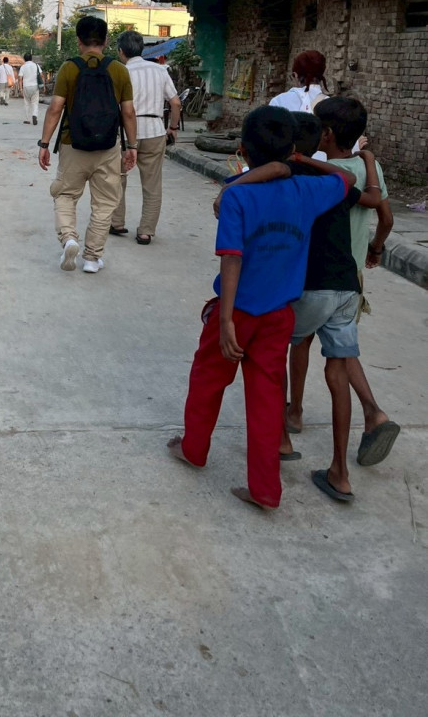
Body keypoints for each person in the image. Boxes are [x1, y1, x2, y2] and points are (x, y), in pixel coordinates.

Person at [167, 106, 356, 510]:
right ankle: (266, 489)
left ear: (242, 150)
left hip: (236, 311)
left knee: (207, 381)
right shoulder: (306, 191)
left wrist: (225, 320)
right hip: (278, 315)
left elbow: (231, 259)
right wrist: (297, 162)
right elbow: (348, 179)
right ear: (291, 149)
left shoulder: (238, 195)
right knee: (268, 399)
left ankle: (194, 449)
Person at [222, 112, 383, 502]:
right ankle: (340, 473)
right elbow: (369, 197)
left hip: (310, 288)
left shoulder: (287, 179)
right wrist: (364, 160)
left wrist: (241, 184)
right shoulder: (330, 181)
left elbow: (262, 179)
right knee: (338, 372)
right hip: (346, 286)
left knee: (273, 354)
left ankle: (283, 437)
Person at [286, 96, 399, 467]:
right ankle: (372, 413)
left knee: (300, 341)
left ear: (327, 134)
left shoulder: (320, 172)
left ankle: (295, 412)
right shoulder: (369, 167)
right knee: (341, 350)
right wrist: (376, 249)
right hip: (351, 277)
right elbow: (385, 217)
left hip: (315, 273)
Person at [37, 15, 137, 274]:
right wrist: (132, 147)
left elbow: (55, 108)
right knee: (105, 203)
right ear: (105, 40)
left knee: (65, 195)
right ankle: (92, 258)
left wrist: (44, 143)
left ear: (79, 40)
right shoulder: (119, 70)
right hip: (108, 146)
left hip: (73, 144)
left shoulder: (69, 68)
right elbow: (128, 112)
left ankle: (69, 238)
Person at [110, 30, 181, 246]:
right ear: (142, 49)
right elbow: (175, 103)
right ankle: (146, 231)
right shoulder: (160, 70)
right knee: (152, 183)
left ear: (121, 51)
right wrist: (173, 128)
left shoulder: (120, 72)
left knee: (118, 177)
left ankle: (117, 222)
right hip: (155, 130)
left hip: (125, 133)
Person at [18, 52, 43, 125]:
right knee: (35, 102)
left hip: (26, 86)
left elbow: (20, 79)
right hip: (35, 86)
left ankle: (27, 119)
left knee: (26, 103)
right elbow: (41, 75)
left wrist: (20, 89)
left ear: (24, 59)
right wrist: (43, 85)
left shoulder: (23, 67)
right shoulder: (36, 65)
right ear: (31, 58)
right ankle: (34, 115)